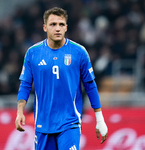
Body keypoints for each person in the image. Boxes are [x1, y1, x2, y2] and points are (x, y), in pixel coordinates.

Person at [15, 7, 108, 150]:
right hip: (42, 124)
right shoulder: (33, 53)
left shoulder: (79, 52)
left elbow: (90, 85)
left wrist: (100, 119)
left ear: (66, 27)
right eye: (53, 24)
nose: (57, 28)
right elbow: (25, 85)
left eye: (61, 24)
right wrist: (20, 111)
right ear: (45, 27)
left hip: (69, 123)